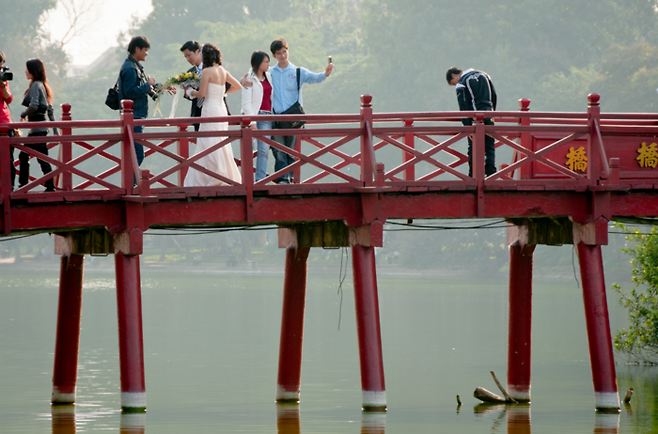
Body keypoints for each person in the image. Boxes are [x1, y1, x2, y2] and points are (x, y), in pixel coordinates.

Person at [242, 38, 334, 184]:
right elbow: (254, 77)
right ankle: (282, 180)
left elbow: (314, 78)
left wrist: (326, 73)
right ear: (274, 56)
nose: (283, 56)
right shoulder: (270, 72)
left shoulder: (298, 72)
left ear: (288, 51)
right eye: (279, 53)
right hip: (276, 118)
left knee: (291, 152)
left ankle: (289, 179)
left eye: (284, 52)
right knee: (278, 151)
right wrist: (243, 80)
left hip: (293, 119)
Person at [183, 43, 242, 187]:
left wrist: (190, 92)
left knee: (208, 141)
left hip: (210, 108)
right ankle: (225, 175)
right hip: (221, 108)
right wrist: (222, 93)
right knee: (220, 140)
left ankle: (214, 175)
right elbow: (238, 86)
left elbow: (201, 94)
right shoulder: (222, 70)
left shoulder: (206, 72)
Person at [118, 36, 162, 166]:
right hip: (133, 116)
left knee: (134, 154)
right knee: (137, 154)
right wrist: (148, 85)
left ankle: (132, 184)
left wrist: (160, 86)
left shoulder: (133, 66)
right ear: (137, 49)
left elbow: (140, 89)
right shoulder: (131, 68)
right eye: (145, 50)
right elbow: (130, 92)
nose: (146, 53)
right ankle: (133, 185)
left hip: (134, 116)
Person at [446, 67, 497, 177]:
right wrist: (492, 113)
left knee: (473, 147)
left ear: (453, 75)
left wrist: (467, 126)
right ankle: (491, 173)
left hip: (475, 118)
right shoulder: (485, 75)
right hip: (489, 115)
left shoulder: (462, 82)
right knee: (489, 145)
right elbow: (494, 96)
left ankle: (473, 175)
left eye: (452, 83)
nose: (455, 84)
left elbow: (464, 106)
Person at [19, 58, 58, 192]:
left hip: (37, 128)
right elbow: (50, 109)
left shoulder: (36, 85)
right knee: (39, 157)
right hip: (40, 128)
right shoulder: (42, 84)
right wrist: (55, 129)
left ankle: (24, 186)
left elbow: (34, 105)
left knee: (33, 157)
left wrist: (23, 114)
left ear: (33, 71)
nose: (26, 72)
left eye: (28, 69)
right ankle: (47, 186)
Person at [241, 51, 273, 182]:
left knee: (264, 150)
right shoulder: (249, 78)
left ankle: (260, 180)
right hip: (252, 116)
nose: (268, 64)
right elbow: (246, 103)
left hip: (267, 117)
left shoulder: (270, 76)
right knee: (248, 150)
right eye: (266, 61)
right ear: (258, 63)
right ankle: (247, 181)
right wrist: (252, 121)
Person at [180, 41, 204, 131]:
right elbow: (189, 96)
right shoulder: (190, 72)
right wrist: (187, 91)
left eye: (189, 55)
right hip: (197, 113)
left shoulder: (211, 68)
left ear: (197, 52)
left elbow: (225, 87)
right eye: (185, 57)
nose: (187, 59)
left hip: (212, 111)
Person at [0, 52, 15, 189]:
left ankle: (9, 189)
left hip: (4, 123)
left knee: (8, 159)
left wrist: (2, 84)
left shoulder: (3, 78)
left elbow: (8, 99)